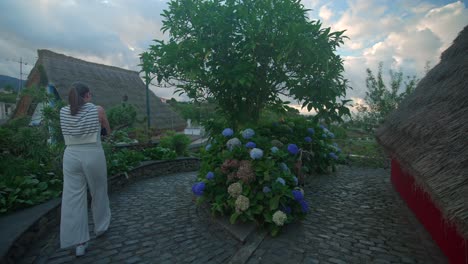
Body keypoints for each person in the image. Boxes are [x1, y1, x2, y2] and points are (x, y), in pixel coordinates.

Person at [59, 82, 111, 257]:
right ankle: (101, 227)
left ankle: (79, 243)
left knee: (72, 198)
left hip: (71, 156)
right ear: (87, 95)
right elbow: (107, 132)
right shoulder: (97, 110)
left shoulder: (63, 112)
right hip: (92, 154)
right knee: (99, 191)